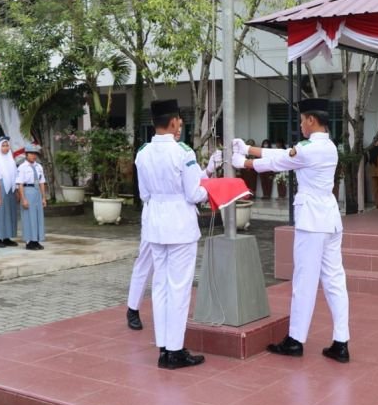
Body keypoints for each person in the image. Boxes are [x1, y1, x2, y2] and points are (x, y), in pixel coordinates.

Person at [231, 98, 351, 363]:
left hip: (312, 223)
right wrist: (249, 148)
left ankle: (295, 340)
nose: (300, 124)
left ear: (310, 120)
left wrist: (245, 163)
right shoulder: (329, 145)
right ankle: (341, 342)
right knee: (334, 281)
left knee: (304, 282)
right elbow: (285, 154)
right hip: (330, 221)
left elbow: (281, 160)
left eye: (302, 119)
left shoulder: (309, 148)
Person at [125, 119, 220, 332]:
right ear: (170, 124)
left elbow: (188, 182)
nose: (179, 129)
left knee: (161, 280)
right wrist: (215, 189)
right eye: (178, 124)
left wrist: (209, 169)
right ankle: (133, 307)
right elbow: (192, 191)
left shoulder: (156, 151)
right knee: (147, 263)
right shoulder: (178, 152)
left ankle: (165, 339)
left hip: (158, 216)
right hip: (163, 218)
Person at [136, 99, 209, 369]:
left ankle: (164, 348)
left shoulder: (142, 153)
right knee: (179, 288)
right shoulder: (184, 153)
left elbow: (143, 194)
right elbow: (194, 193)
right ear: (174, 122)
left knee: (160, 287)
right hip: (179, 226)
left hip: (155, 225)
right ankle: (175, 351)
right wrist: (209, 190)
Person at [17, 144, 47, 250]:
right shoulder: (22, 167)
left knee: (38, 216)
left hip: (37, 192)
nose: (34, 156)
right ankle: (29, 241)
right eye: (31, 153)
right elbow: (20, 184)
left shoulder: (39, 166)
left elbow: (42, 182)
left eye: (35, 154)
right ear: (26, 154)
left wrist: (43, 197)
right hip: (27, 191)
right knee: (29, 217)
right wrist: (23, 199)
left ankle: (36, 240)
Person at [0, 136, 20, 248]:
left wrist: (17, 190)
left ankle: (7, 237)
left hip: (11, 189)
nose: (5, 148)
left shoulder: (10, 158)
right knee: (1, 213)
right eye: (3, 146)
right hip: (0, 187)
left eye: (7, 145)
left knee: (10, 212)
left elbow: (15, 174)